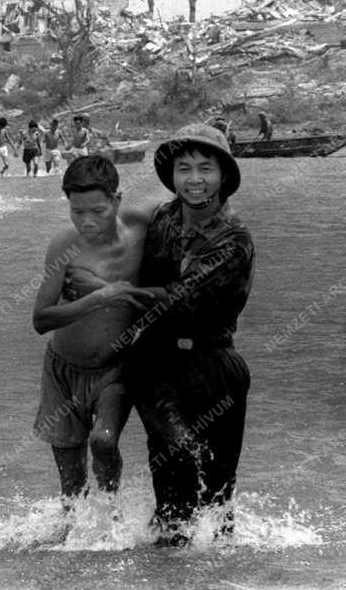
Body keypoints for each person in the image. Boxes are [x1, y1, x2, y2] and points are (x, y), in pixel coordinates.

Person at [72, 123, 254, 546]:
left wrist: (102, 291)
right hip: (156, 365)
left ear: (224, 174)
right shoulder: (162, 218)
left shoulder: (234, 238)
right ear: (170, 175)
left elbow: (179, 298)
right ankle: (165, 567)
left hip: (212, 367)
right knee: (175, 480)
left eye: (205, 168)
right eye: (184, 168)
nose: (194, 179)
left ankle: (221, 574)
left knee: (219, 498)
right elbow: (108, 235)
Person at [31, 156, 155, 505]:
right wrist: (102, 295)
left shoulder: (141, 230)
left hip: (113, 368)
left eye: (97, 211)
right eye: (76, 211)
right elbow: (41, 319)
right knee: (70, 478)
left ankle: (111, 513)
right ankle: (75, 535)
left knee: (103, 441)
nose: (86, 222)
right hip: (62, 369)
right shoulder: (64, 246)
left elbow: (184, 191)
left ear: (117, 199)